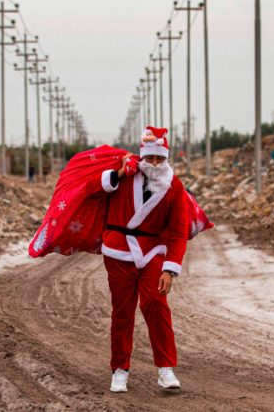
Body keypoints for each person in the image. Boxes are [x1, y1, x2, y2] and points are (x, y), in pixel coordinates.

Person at [94, 126, 189, 393]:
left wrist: (170, 269)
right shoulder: (125, 174)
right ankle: (120, 369)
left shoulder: (174, 186)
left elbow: (179, 231)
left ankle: (166, 368)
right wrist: (121, 172)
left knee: (156, 304)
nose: (155, 164)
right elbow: (95, 188)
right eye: (150, 158)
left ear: (167, 158)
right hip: (118, 251)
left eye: (160, 158)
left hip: (153, 252)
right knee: (122, 312)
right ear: (142, 156)